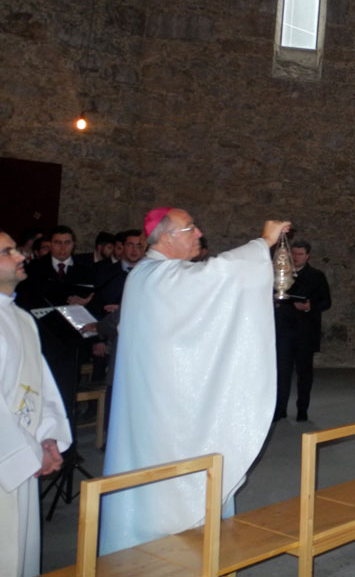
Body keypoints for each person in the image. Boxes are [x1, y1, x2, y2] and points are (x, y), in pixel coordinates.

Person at [99, 208, 290, 554]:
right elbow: (219, 274)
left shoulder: (146, 275)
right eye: (190, 228)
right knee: (167, 490)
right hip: (167, 410)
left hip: (158, 402)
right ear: (167, 237)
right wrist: (263, 242)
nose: (200, 233)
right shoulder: (158, 276)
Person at [0, 230, 72, 577]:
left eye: (17, 249)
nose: (20, 256)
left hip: (26, 451)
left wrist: (47, 437)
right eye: (8, 252)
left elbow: (40, 385)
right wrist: (27, 452)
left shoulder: (22, 318)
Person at [273, 240, 331, 422]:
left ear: (307, 256)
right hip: (284, 330)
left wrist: (309, 306)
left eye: (300, 254)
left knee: (304, 373)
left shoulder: (317, 276)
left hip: (305, 332)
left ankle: (302, 410)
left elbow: (326, 302)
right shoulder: (282, 274)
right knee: (282, 372)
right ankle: (280, 409)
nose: (296, 257)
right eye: (293, 253)